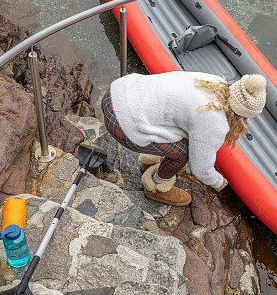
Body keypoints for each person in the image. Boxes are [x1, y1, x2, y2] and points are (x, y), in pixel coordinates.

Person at [101, 71, 267, 206]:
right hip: (124, 125)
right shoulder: (215, 123)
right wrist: (217, 181)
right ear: (243, 115)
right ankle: (158, 186)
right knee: (185, 153)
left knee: (182, 127)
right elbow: (200, 169)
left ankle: (149, 161)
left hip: (118, 92)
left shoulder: (214, 80)